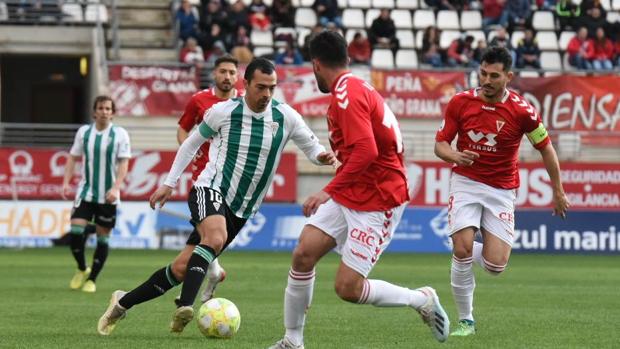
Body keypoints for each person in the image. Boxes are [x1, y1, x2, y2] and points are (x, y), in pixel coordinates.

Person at [97, 58, 337, 336]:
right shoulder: (222, 111)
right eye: (261, 87)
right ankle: (185, 307)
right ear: (245, 84)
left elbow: (313, 149)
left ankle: (122, 302)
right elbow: (191, 143)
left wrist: (323, 157)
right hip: (209, 188)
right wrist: (169, 183)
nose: (267, 94)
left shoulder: (286, 116)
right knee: (215, 237)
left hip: (242, 209)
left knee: (181, 268)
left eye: (272, 88)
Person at [269, 31, 450, 349]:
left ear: (315, 65)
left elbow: (367, 152)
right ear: (347, 59)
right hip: (355, 188)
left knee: (348, 288)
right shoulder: (353, 86)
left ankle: (420, 299)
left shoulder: (345, 94)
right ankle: (292, 341)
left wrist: (326, 190)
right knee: (303, 254)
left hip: (379, 199)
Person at [434, 46, 570, 337]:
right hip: (466, 182)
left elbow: (546, 148)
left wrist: (558, 190)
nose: (486, 80)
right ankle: (466, 321)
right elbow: (441, 144)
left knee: (496, 265)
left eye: (494, 75)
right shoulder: (460, 102)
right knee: (462, 248)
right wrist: (454, 156)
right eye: (483, 72)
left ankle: (467, 250)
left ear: (509, 76)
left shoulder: (523, 112)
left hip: (501, 188)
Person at [174, 55, 241, 306]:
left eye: (232, 72)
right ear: (214, 74)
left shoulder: (244, 102)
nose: (227, 77)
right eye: (223, 71)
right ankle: (211, 273)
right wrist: (189, 148)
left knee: (208, 233)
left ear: (238, 76)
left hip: (231, 177)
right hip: (204, 175)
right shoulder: (199, 100)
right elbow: (183, 129)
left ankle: (212, 272)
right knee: (207, 229)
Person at [62, 96, 131, 293]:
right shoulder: (84, 132)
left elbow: (123, 163)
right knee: (76, 231)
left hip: (108, 195)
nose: (104, 111)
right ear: (94, 111)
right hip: (86, 191)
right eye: (100, 108)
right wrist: (66, 182)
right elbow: (73, 157)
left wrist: (116, 187)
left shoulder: (120, 134)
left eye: (108, 108)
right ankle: (82, 268)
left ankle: (92, 279)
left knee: (103, 238)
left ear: (113, 113)